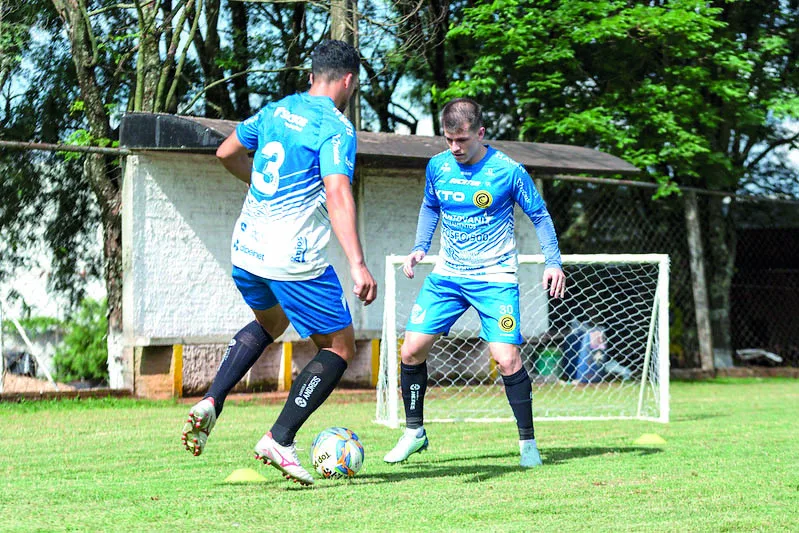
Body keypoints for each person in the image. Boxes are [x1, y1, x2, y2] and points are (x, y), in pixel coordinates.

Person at [181, 39, 377, 486]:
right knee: (339, 348)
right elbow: (337, 192)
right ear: (348, 81)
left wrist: (259, 187)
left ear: (312, 76)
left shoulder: (274, 110)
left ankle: (213, 398)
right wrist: (357, 262)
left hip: (246, 249)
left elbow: (226, 152)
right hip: (292, 259)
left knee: (270, 323)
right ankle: (280, 438)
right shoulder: (336, 127)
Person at [383, 98, 566, 468]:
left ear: (480, 133)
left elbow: (540, 215)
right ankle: (414, 432)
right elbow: (431, 206)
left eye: (462, 140)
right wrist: (420, 248)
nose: (455, 148)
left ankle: (528, 445)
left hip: (494, 279)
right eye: (449, 140)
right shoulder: (438, 166)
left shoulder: (509, 171)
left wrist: (553, 262)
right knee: (410, 351)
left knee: (507, 359)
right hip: (447, 277)